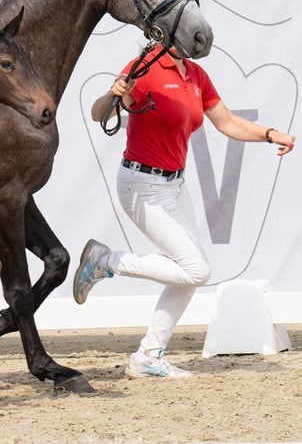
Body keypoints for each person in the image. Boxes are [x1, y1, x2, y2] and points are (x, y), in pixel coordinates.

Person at [73, 43, 295, 379]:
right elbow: (99, 113)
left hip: (175, 185)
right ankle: (104, 261)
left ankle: (148, 356)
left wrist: (270, 134)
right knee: (196, 270)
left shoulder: (195, 74)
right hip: (141, 184)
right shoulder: (143, 67)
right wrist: (112, 95)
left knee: (188, 274)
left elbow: (229, 122)